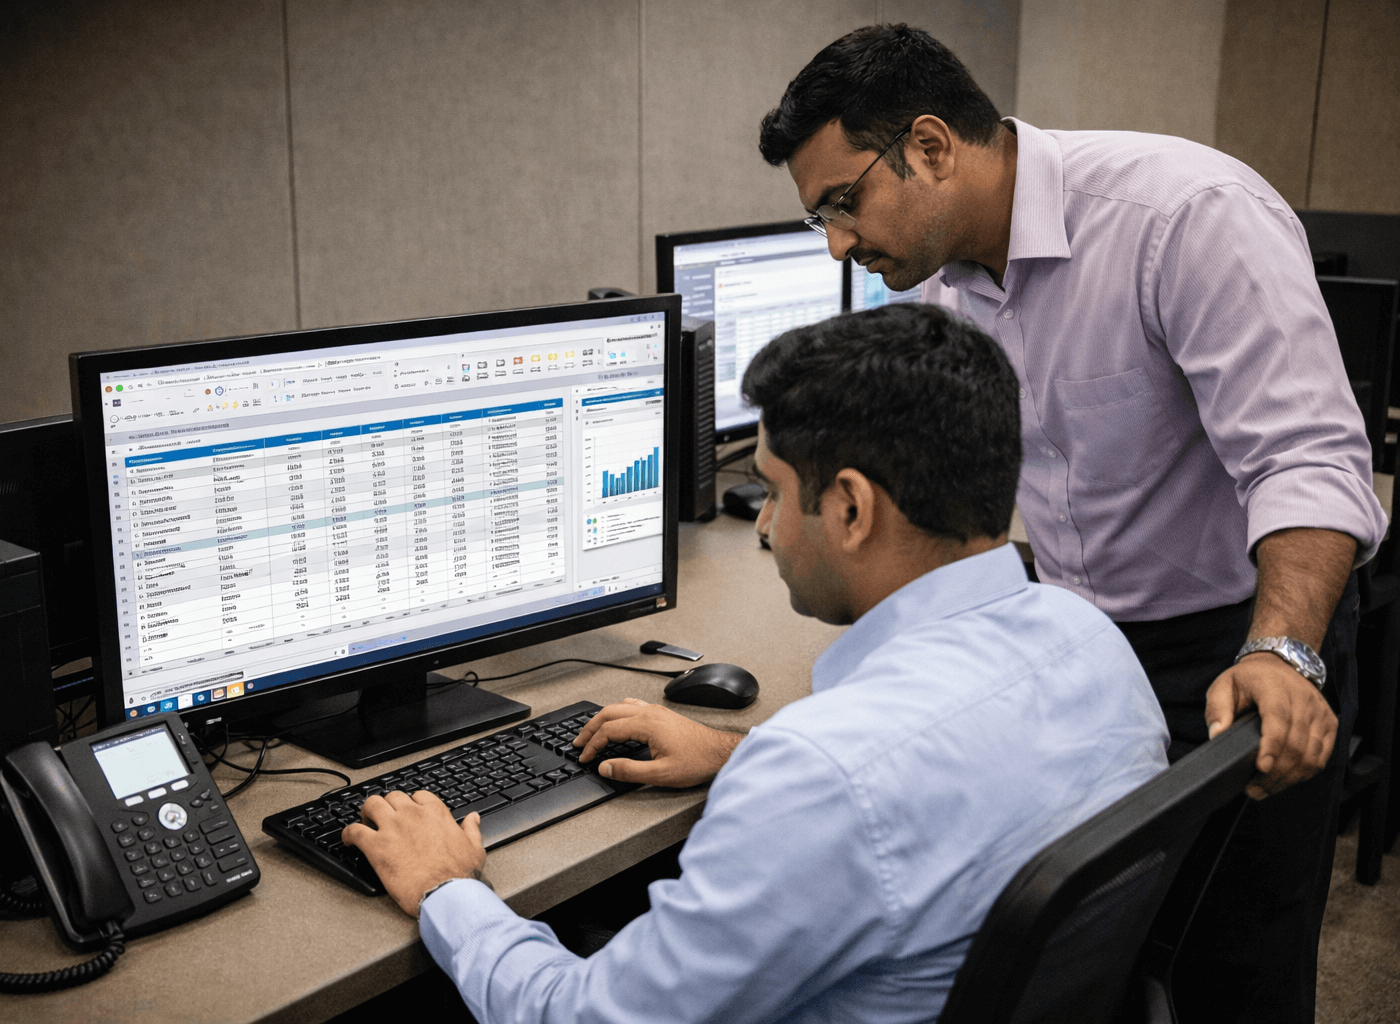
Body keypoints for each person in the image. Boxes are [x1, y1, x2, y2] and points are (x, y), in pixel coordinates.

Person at [754, 23, 1389, 1024]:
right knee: (1094, 959)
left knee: (1237, 973)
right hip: (1084, 649)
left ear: (929, 147)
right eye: (819, 218)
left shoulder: (1182, 216)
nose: (838, 240)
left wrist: (1283, 649)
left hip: (1242, 640)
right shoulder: (946, 288)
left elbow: (1306, 457)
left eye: (844, 201)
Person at [341, 303, 1170, 1023]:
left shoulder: (824, 779)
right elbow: (934, 789)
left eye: (772, 489)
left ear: (850, 508)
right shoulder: (1093, 641)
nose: (766, 526)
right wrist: (741, 754)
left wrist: (449, 889)